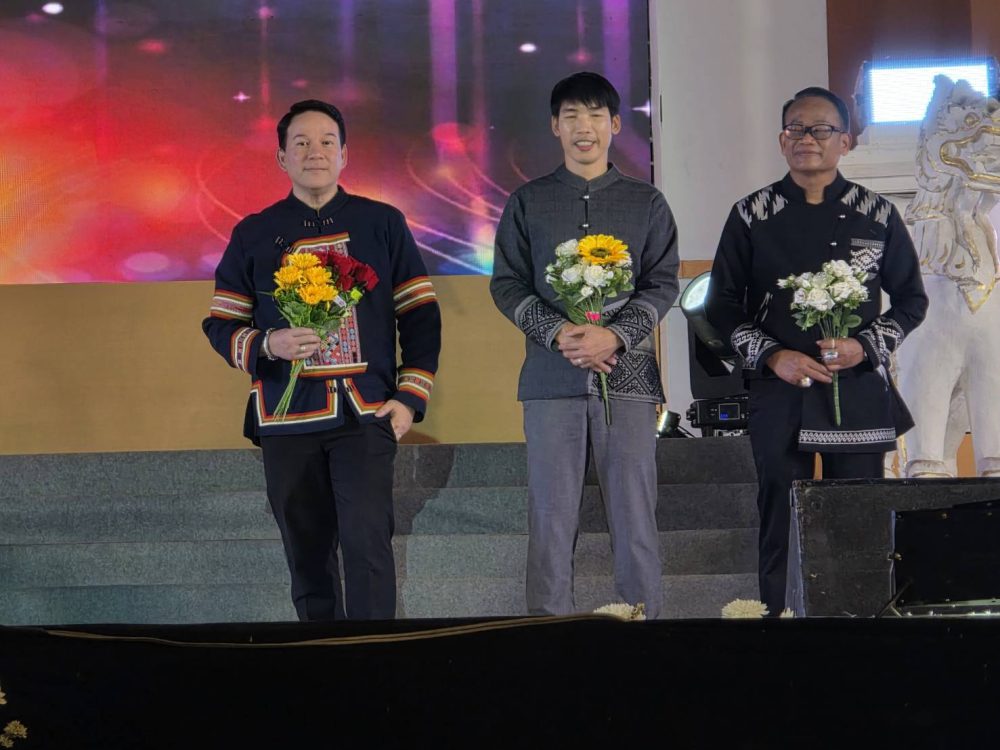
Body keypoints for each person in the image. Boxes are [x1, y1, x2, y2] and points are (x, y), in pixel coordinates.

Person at [203, 100, 441, 620]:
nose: (315, 152)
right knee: (307, 556)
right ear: (281, 158)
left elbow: (420, 313)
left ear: (345, 154)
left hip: (366, 413)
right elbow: (221, 324)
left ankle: (374, 660)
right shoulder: (253, 233)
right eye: (302, 143)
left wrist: (408, 398)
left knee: (368, 547)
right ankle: (320, 659)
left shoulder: (382, 223)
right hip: (285, 418)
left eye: (327, 142)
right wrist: (270, 344)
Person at [706, 86, 928, 614]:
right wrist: (771, 356)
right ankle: (780, 625)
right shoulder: (751, 213)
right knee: (780, 515)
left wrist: (863, 347)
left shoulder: (877, 213)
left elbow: (912, 301)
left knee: (862, 520)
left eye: (821, 129)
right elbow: (720, 306)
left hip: (856, 391)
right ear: (782, 141)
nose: (807, 139)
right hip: (779, 392)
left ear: (844, 141)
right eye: (795, 129)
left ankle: (861, 629)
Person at [491, 72, 679, 618]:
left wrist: (614, 335)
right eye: (571, 116)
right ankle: (551, 633)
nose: (584, 127)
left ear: (615, 125)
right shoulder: (528, 201)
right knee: (550, 517)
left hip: (630, 380)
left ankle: (642, 625)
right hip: (551, 379)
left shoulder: (647, 202)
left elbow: (662, 283)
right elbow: (507, 284)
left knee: (635, 514)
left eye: (596, 115)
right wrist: (560, 333)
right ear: (555, 126)